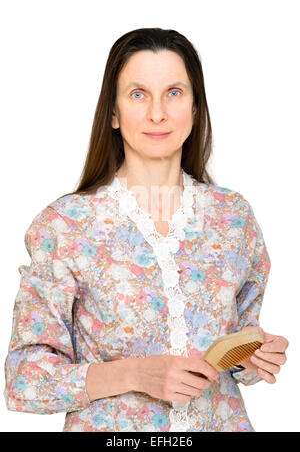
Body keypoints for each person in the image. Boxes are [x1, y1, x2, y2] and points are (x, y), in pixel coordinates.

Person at [4, 28, 288, 432]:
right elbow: (23, 381)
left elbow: (237, 347)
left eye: (174, 93)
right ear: (114, 113)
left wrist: (253, 355)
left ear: (195, 108)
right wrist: (137, 375)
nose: (158, 113)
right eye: (139, 94)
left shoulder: (233, 218)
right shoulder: (65, 226)